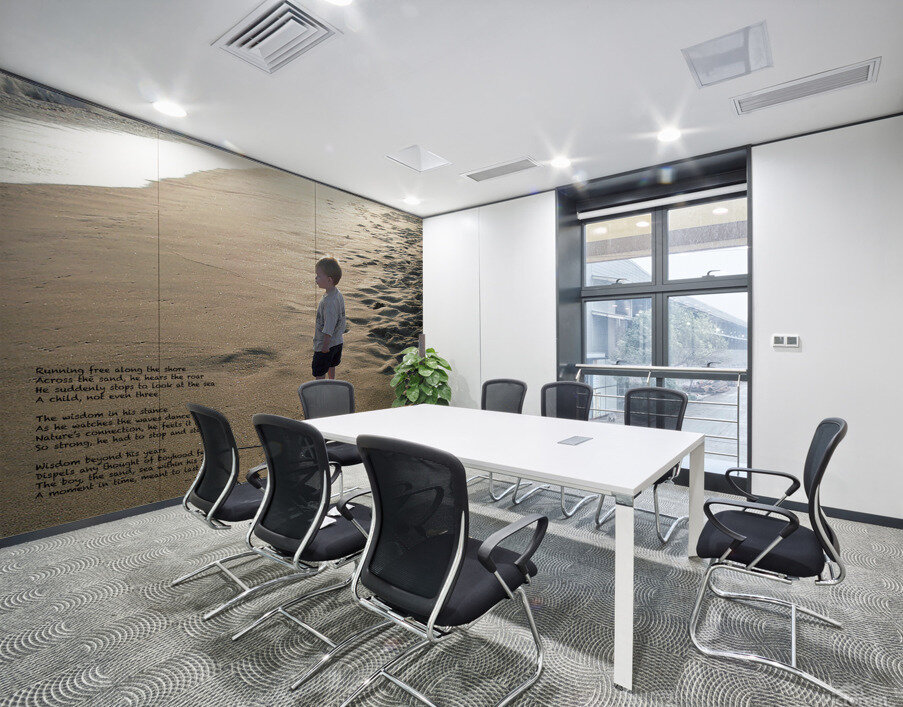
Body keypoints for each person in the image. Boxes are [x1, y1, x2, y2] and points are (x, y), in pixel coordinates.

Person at [312, 257, 346, 380]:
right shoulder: (337, 294)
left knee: (319, 371)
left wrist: (325, 346)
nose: (316, 279)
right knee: (331, 364)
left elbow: (329, 325)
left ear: (329, 280)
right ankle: (332, 382)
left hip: (326, 344)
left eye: (318, 276)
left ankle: (320, 388)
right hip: (338, 341)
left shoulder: (329, 302)